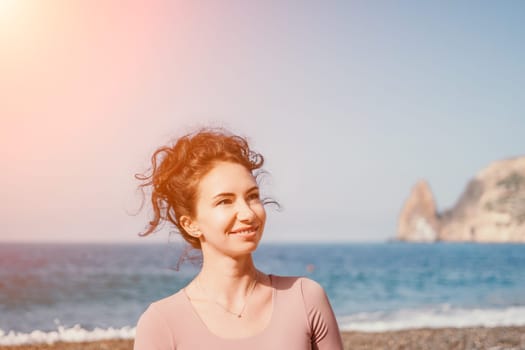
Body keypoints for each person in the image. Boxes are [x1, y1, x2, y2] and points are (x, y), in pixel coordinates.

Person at [133, 128, 343, 349]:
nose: (248, 214)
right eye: (225, 201)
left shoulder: (304, 298)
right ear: (191, 224)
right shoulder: (162, 323)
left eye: (252, 197)